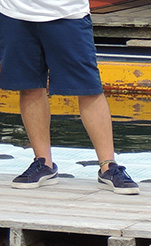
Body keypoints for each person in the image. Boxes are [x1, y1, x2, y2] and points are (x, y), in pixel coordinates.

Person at [0, 0, 139, 194]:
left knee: (89, 88)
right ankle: (43, 163)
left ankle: (108, 166)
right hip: (14, 12)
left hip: (68, 13)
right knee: (29, 86)